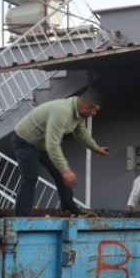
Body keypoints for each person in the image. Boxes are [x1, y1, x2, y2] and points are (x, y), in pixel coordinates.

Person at [11, 87, 109, 217]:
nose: (95, 114)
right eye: (94, 110)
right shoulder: (61, 112)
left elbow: (81, 132)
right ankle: (21, 217)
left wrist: (95, 148)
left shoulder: (78, 113)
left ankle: (68, 209)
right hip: (25, 141)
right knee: (30, 177)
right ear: (85, 106)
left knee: (61, 174)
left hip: (42, 143)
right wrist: (65, 170)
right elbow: (52, 145)